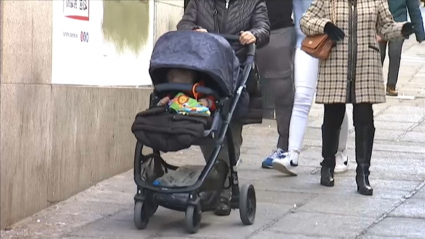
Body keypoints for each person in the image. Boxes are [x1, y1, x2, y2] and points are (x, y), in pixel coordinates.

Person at [300, 0, 415, 195]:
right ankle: (327, 165)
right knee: (332, 115)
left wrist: (403, 29)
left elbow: (385, 27)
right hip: (335, 64)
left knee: (364, 118)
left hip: (365, 65)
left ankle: (363, 173)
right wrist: (325, 26)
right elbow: (305, 21)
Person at [176, 0, 270, 215]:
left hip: (235, 72)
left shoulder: (254, 3)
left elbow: (264, 28)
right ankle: (221, 186)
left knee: (231, 132)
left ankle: (222, 187)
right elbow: (184, 25)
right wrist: (194, 31)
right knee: (208, 129)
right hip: (205, 71)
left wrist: (254, 34)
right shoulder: (200, 2)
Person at [268, 0, 350, 176]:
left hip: (335, 43)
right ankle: (293, 154)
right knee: (302, 97)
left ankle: (339, 153)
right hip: (305, 43)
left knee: (336, 98)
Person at [256, 0, 296, 170]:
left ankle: (284, 145)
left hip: (278, 30)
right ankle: (230, 149)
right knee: (235, 88)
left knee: (282, 91)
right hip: (242, 28)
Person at [378, 0, 425, 96]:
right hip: (380, 23)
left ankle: (391, 85)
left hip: (398, 24)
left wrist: (420, 34)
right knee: (378, 54)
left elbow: (414, 9)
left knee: (394, 52)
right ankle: (375, 83)